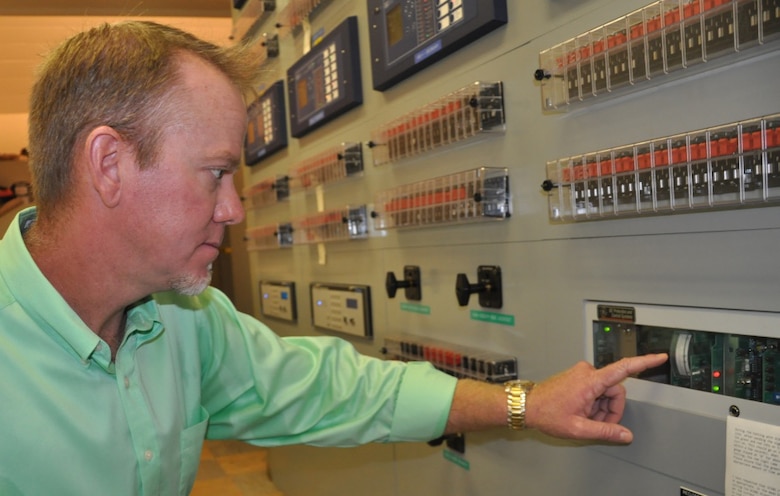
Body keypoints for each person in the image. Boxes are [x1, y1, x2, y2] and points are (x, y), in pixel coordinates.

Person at [0, 21, 668, 495]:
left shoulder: (184, 320)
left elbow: (337, 390)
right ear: (108, 164)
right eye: (214, 173)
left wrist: (522, 403)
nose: (233, 210)